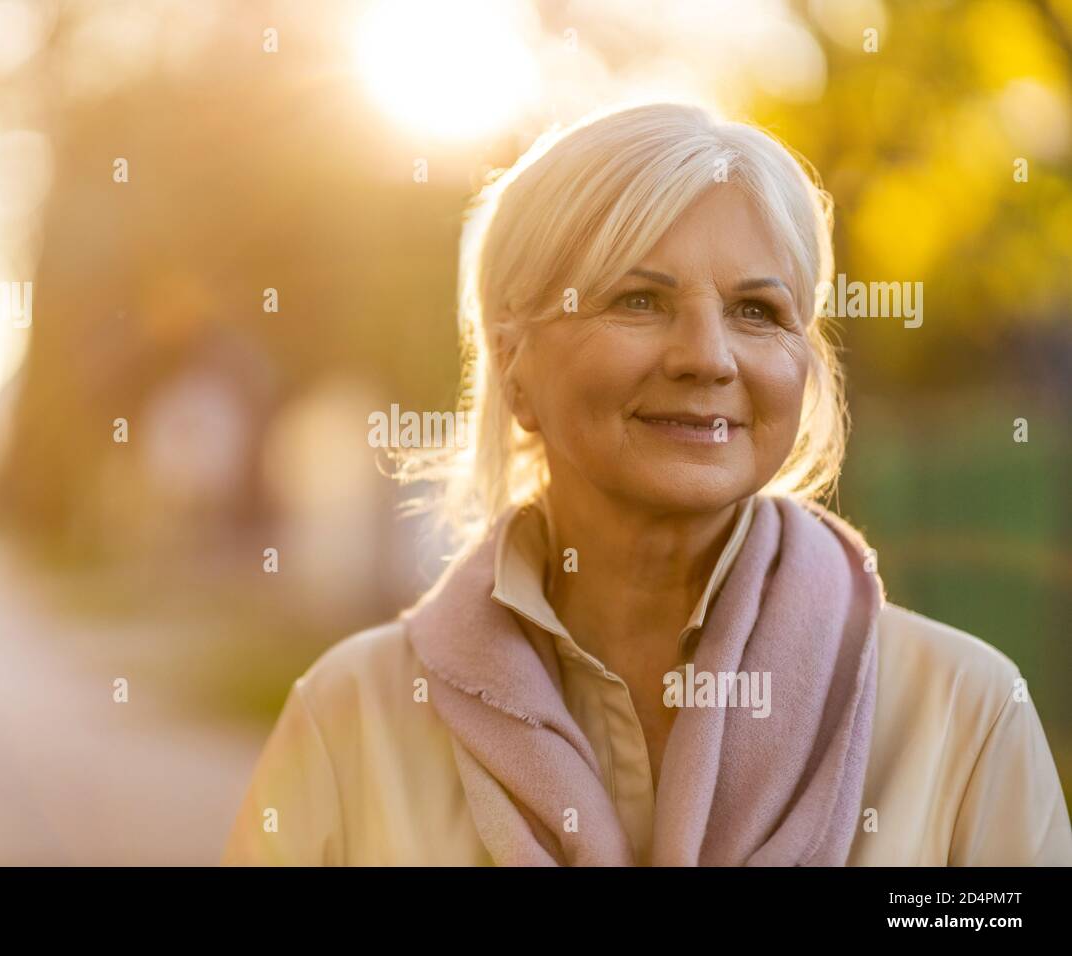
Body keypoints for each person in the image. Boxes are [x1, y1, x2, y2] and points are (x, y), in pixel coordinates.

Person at [221, 103, 1072, 866]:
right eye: (637, 300)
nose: (706, 356)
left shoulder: (966, 714)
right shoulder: (351, 718)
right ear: (514, 368)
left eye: (757, 312)